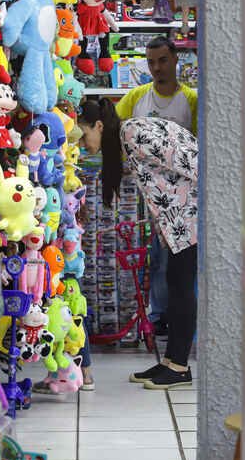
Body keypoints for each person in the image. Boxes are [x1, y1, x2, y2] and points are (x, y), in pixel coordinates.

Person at [78, 99, 198, 389]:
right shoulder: (125, 139)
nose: (82, 144)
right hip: (177, 220)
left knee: (182, 287)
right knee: (174, 285)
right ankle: (170, 361)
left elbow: (193, 162)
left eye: (83, 135)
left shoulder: (132, 132)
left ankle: (180, 367)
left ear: (99, 126)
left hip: (191, 216)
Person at [115, 36, 198, 338]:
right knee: (156, 258)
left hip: (182, 201)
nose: (157, 68)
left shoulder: (191, 100)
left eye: (162, 60)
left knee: (179, 263)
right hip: (146, 193)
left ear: (176, 59)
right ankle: (159, 314)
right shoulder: (136, 97)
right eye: (151, 62)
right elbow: (114, 132)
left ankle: (179, 318)